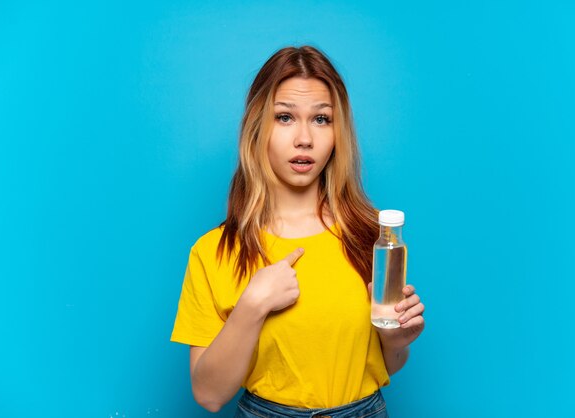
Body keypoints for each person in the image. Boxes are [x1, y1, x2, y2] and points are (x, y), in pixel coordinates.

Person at [171, 45, 425, 417]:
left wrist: (396, 340)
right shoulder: (214, 251)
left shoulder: (374, 235)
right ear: (258, 127)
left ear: (338, 132)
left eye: (321, 119)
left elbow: (388, 363)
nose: (304, 138)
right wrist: (253, 305)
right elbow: (209, 394)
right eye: (285, 117)